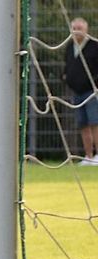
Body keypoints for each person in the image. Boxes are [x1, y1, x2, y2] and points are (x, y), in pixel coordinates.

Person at [64, 17, 98, 165]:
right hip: (76, 92)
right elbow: (67, 66)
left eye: (80, 28)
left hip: (92, 91)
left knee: (95, 122)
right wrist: (64, 77)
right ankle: (89, 156)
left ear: (86, 30)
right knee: (83, 124)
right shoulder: (69, 46)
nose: (77, 31)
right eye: (74, 28)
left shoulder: (94, 46)